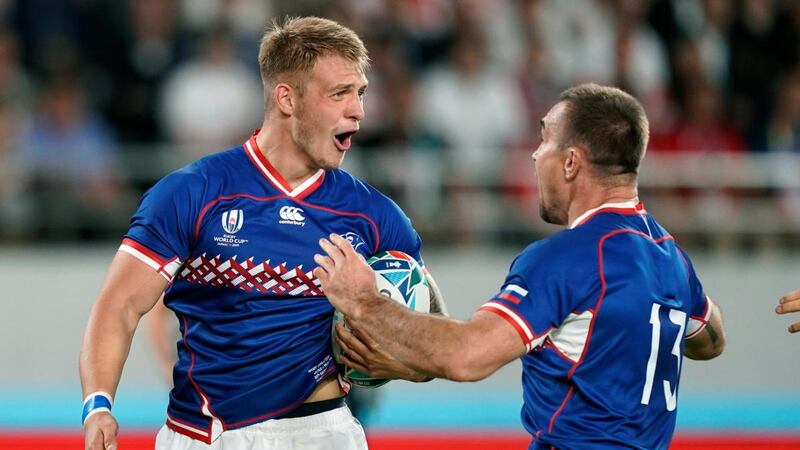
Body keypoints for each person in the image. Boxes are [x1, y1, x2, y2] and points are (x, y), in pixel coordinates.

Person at [79, 16, 447, 450]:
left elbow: (434, 338)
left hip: (325, 432)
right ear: (287, 99)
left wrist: (392, 356)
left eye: (361, 93)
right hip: (204, 435)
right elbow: (118, 306)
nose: (359, 111)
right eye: (340, 94)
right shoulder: (193, 192)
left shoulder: (376, 216)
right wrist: (98, 405)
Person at [314, 83, 726, 449]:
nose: (534, 154)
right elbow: (711, 339)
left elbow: (468, 355)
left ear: (570, 162)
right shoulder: (671, 256)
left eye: (544, 138)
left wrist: (365, 302)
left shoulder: (568, 258)